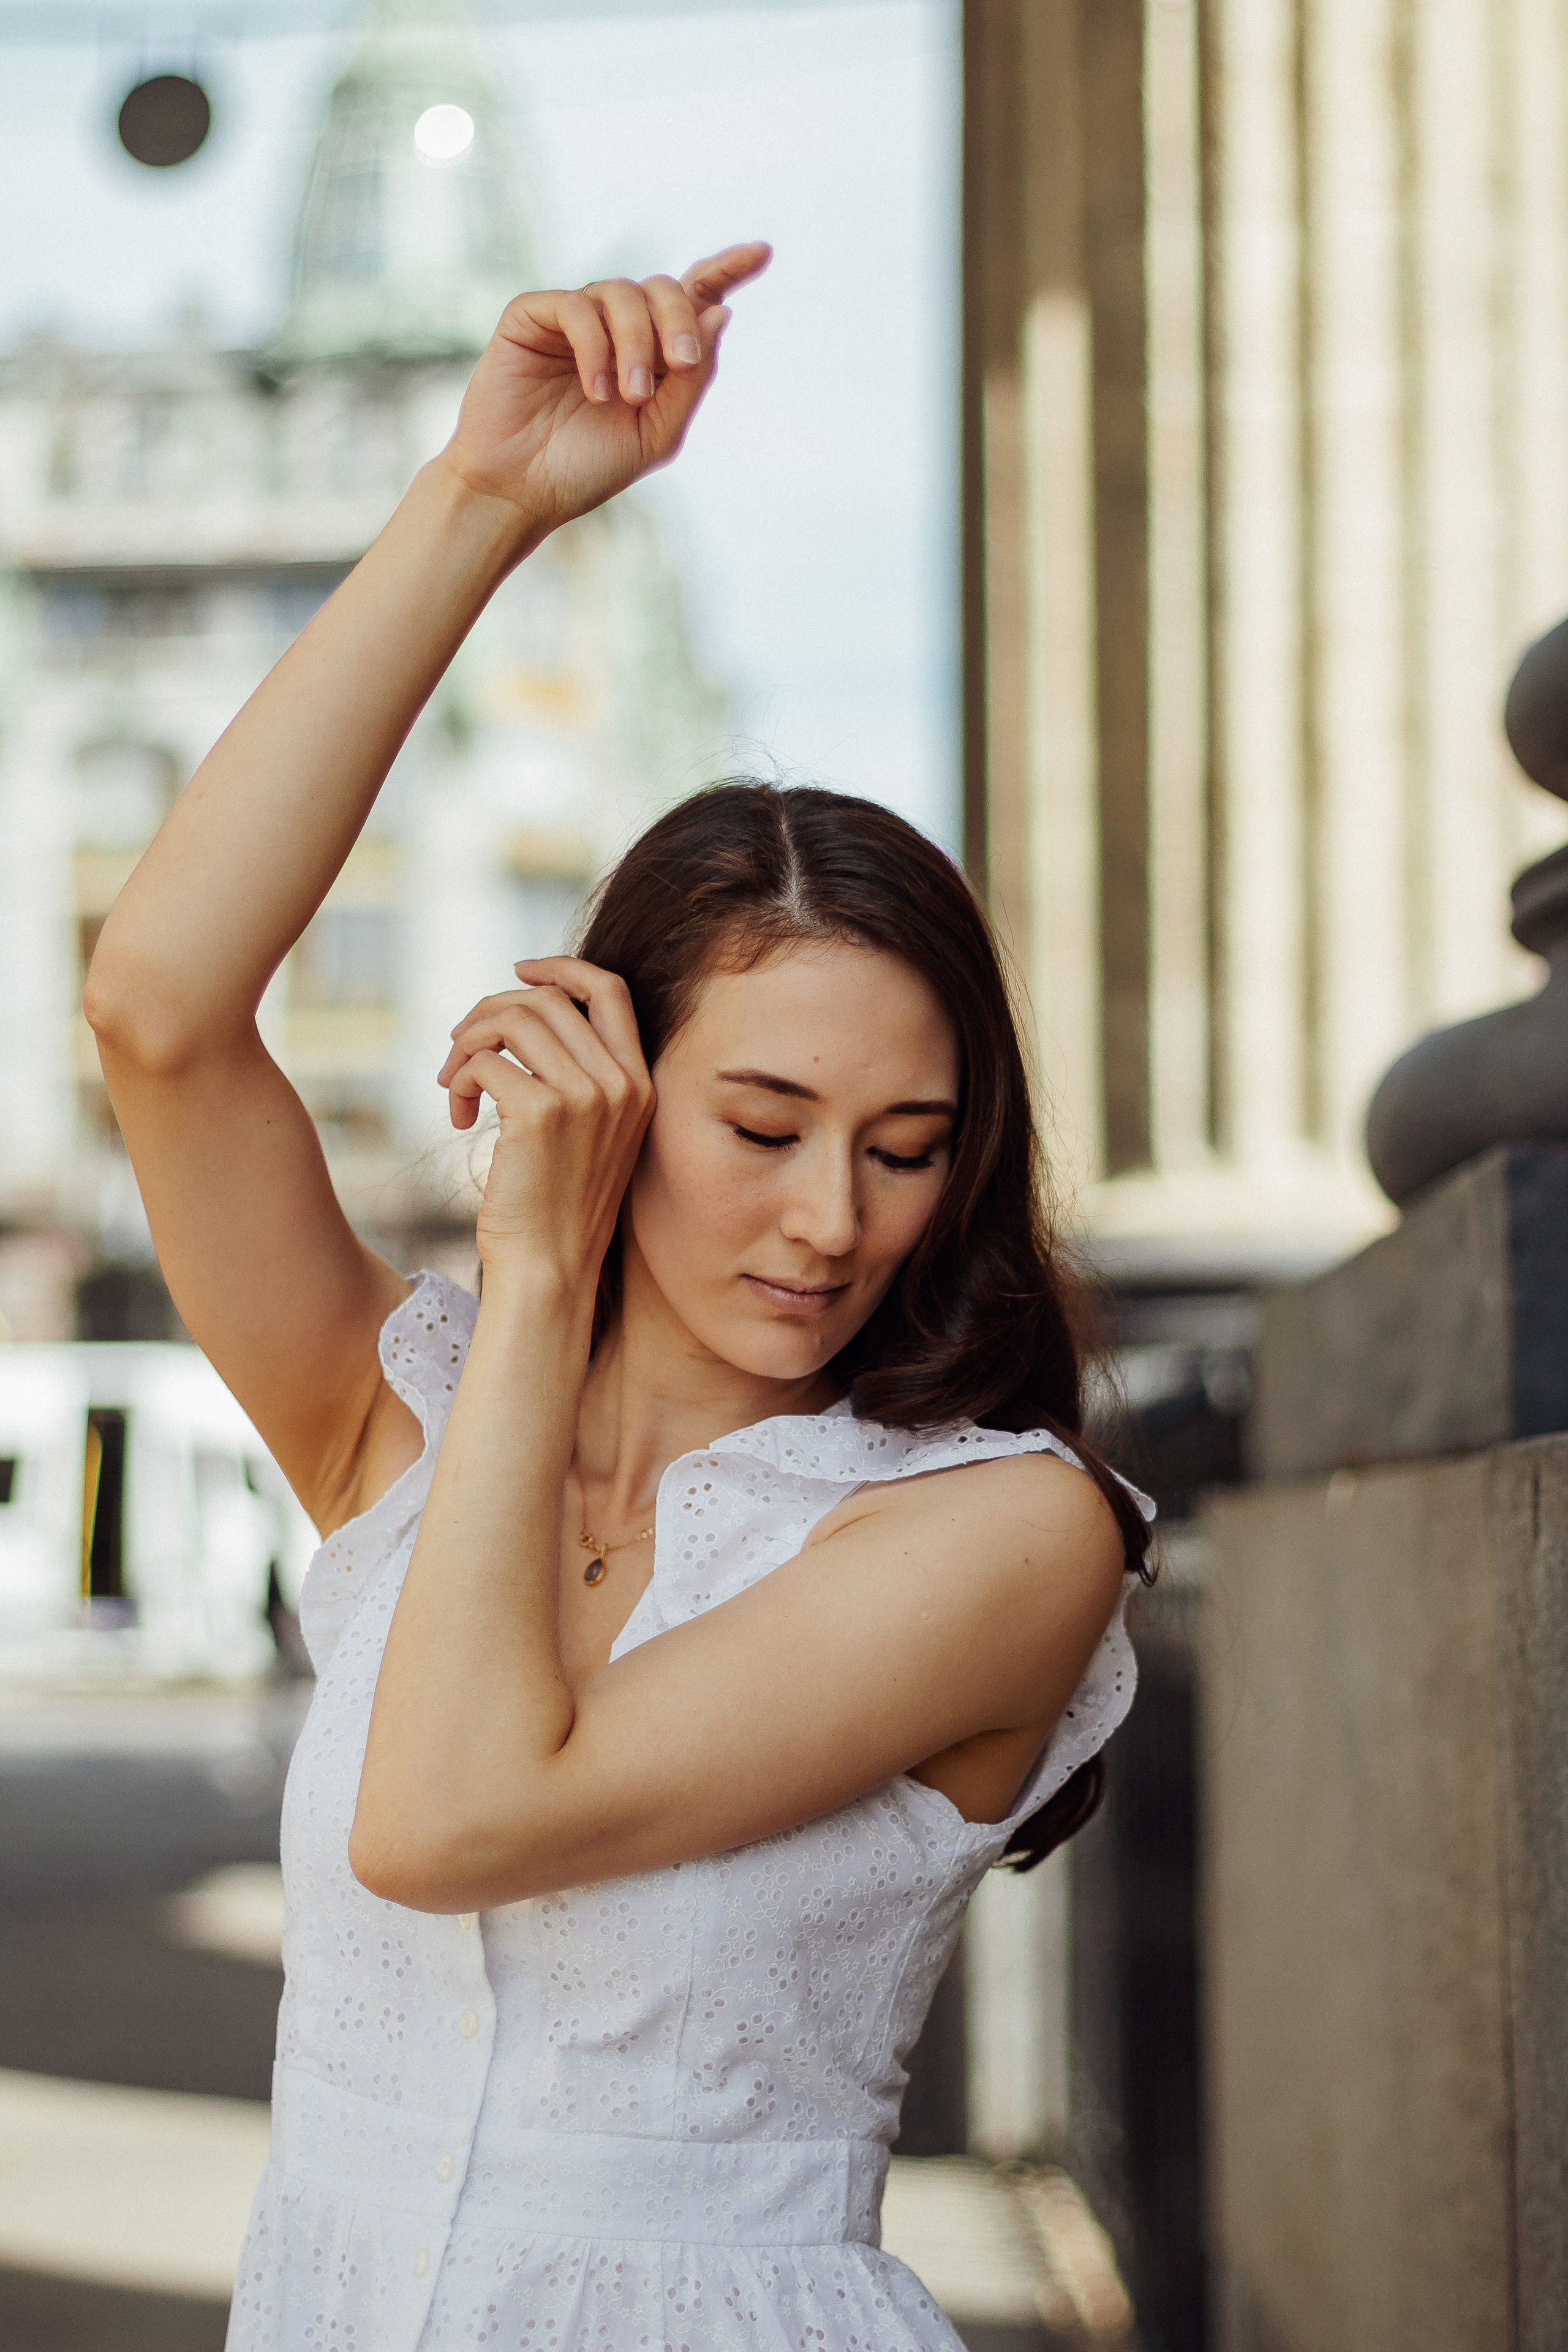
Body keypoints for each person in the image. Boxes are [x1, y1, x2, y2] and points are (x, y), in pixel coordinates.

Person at [86, 243, 1153, 2352]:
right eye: (762, 1124)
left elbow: (455, 1816)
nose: (837, 1219)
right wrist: (481, 501)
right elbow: (159, 1006)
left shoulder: (997, 1533)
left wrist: (543, 1258)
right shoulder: (406, 1419)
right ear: (619, 1078)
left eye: (910, 1146)